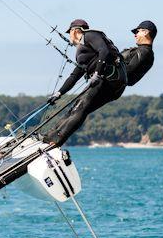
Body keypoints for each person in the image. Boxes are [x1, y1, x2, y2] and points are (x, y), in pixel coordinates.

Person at [42, 19, 127, 147]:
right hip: (109, 84)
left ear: (75, 31)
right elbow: (74, 75)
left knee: (81, 107)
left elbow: (104, 51)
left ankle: (54, 140)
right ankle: (50, 136)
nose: (69, 37)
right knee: (78, 108)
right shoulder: (84, 51)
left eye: (69, 32)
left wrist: (97, 73)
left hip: (109, 79)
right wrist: (59, 93)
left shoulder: (90, 35)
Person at [121, 20, 156, 86]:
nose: (135, 35)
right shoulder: (143, 51)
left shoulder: (145, 52)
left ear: (145, 32)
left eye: (137, 32)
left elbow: (126, 73)